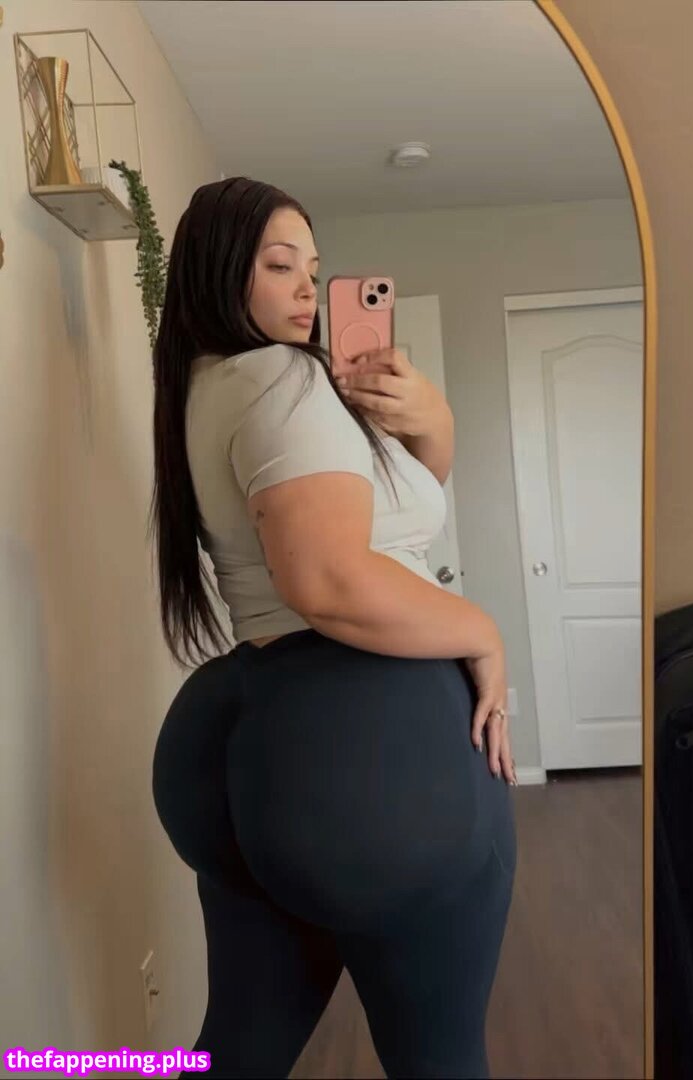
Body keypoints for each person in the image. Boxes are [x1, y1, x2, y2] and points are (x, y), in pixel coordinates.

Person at [150, 176, 518, 1080]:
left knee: (238, 1048)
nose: (307, 289)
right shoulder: (285, 377)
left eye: (314, 270)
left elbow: (383, 525)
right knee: (440, 1058)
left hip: (238, 735)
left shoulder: (208, 383)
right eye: (280, 265)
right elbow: (327, 581)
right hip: (361, 749)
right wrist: (481, 630)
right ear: (218, 269)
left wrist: (431, 422)